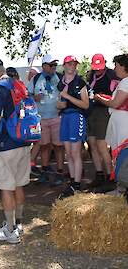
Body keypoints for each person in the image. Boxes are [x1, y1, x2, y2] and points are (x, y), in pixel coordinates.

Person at [0, 58, 30, 244]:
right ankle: (18, 223)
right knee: (19, 184)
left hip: (5, 144)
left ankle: (10, 231)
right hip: (24, 140)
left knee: (5, 187)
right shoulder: (18, 84)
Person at [28, 54, 64, 185]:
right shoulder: (36, 78)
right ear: (44, 66)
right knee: (44, 146)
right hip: (41, 118)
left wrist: (63, 104)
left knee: (59, 146)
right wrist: (34, 98)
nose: (54, 67)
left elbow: (66, 93)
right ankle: (44, 172)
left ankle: (60, 172)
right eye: (51, 65)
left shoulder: (60, 77)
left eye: (55, 65)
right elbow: (28, 95)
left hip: (57, 117)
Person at [57, 56, 89, 198]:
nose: (72, 66)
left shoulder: (80, 82)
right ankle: (72, 182)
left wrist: (68, 98)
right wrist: (59, 105)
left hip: (77, 117)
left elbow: (86, 104)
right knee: (68, 153)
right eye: (69, 64)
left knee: (75, 152)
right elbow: (59, 102)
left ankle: (77, 184)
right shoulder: (60, 82)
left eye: (74, 64)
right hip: (65, 117)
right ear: (64, 65)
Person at [86, 54, 118, 188]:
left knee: (102, 145)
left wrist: (101, 98)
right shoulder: (91, 75)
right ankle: (99, 174)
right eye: (96, 67)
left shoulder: (112, 75)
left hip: (103, 112)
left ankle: (110, 177)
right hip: (91, 111)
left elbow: (115, 96)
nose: (98, 70)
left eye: (100, 67)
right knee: (92, 144)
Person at [95, 54, 128, 152]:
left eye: (116, 66)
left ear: (123, 66)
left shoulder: (126, 82)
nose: (114, 69)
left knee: (122, 151)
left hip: (123, 123)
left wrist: (99, 98)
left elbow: (115, 104)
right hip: (121, 121)